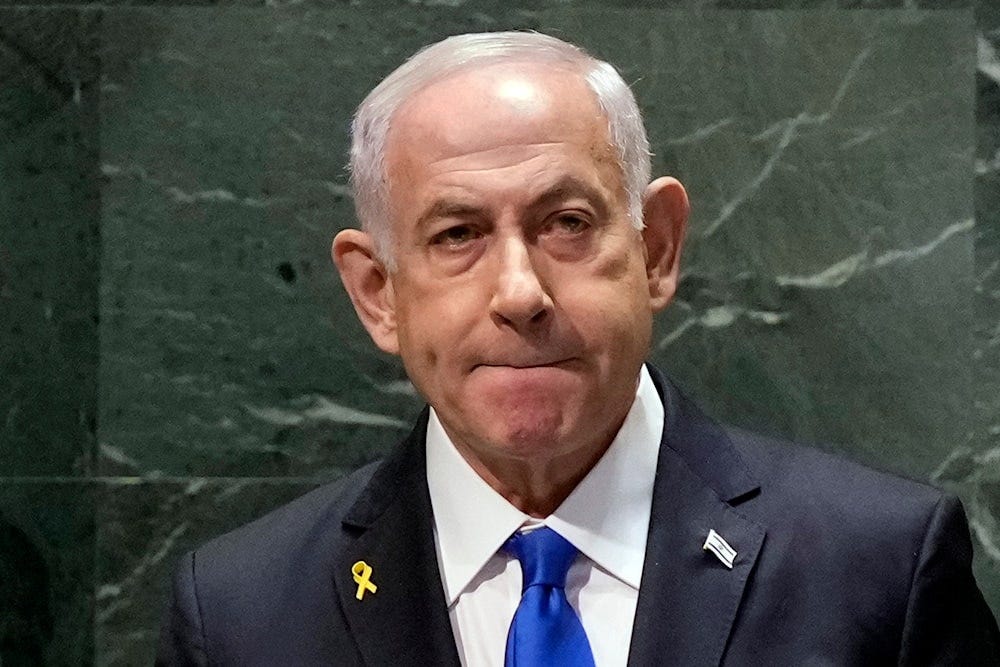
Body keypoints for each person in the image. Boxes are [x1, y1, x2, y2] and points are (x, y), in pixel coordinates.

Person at [157, 31, 999, 666]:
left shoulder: (880, 567)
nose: (520, 291)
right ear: (380, 292)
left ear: (657, 248)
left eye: (567, 223)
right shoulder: (239, 614)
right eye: (457, 234)